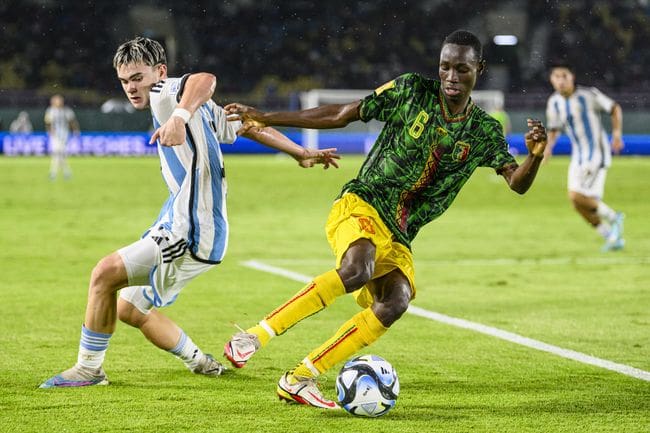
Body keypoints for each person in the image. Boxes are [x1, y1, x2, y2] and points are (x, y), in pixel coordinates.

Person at [223, 29, 548, 409]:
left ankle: (301, 377)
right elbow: (343, 114)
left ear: (480, 69)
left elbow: (517, 183)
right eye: (445, 67)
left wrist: (536, 156)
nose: (451, 77)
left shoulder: (484, 131)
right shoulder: (411, 91)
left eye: (462, 68)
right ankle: (254, 336)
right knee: (357, 269)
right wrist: (266, 115)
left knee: (396, 300)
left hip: (400, 232)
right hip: (362, 202)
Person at [39, 37, 340, 388]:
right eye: (124, 81)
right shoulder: (192, 107)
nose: (131, 88)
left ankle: (89, 370)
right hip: (177, 219)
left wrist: (179, 116)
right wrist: (298, 151)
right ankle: (201, 363)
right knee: (129, 309)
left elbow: (205, 79)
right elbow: (244, 125)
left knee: (103, 274)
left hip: (194, 228)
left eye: (137, 77)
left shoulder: (167, 94)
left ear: (160, 72)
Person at [544, 61, 625, 252]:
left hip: (596, 154)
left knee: (576, 195)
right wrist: (548, 148)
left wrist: (617, 134)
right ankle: (611, 237)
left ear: (572, 77)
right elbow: (554, 129)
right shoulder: (554, 102)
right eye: (557, 77)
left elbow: (614, 108)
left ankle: (615, 218)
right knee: (577, 203)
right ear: (551, 80)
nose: (561, 81)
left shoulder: (588, 95)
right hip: (578, 156)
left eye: (565, 76)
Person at [45, 94, 79, 180]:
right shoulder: (50, 111)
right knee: (59, 153)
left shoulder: (66, 111)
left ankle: (55, 173)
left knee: (59, 154)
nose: (58, 102)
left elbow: (72, 121)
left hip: (64, 135)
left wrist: (75, 131)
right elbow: (48, 123)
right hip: (55, 135)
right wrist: (50, 132)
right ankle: (64, 172)